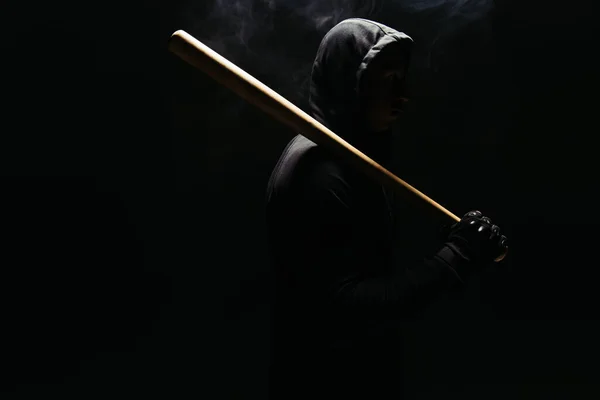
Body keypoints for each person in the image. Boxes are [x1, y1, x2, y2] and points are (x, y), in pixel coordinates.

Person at [264, 18, 507, 399]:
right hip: (326, 383)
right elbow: (345, 308)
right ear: (352, 82)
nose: (404, 94)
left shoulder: (353, 158)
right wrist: (454, 259)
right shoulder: (319, 173)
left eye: (403, 78)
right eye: (389, 78)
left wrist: (453, 244)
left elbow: (369, 259)